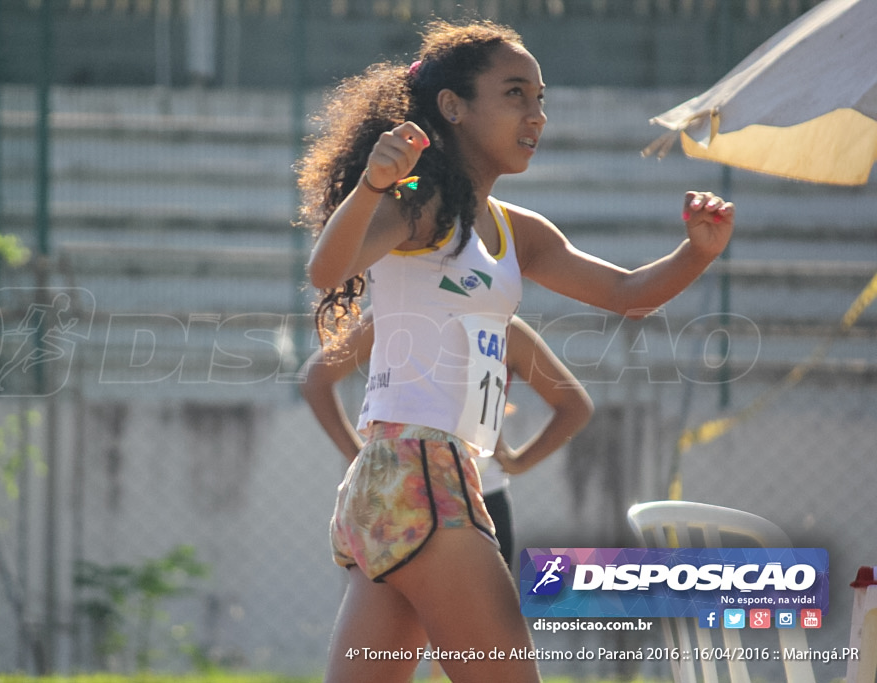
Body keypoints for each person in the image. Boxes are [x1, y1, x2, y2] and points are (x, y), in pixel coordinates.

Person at [296, 18, 734, 683]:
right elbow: (327, 272)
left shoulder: (515, 229)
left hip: (391, 490)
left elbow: (628, 293)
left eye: (540, 97)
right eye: (514, 95)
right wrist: (371, 186)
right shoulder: (423, 203)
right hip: (423, 475)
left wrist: (696, 253)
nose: (537, 114)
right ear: (454, 107)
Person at [299, 309, 594, 569]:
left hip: (475, 497)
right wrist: (362, 458)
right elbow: (316, 379)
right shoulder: (391, 313)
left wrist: (518, 462)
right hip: (401, 497)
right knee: (413, 628)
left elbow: (575, 406)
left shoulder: (502, 326)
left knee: (480, 629)